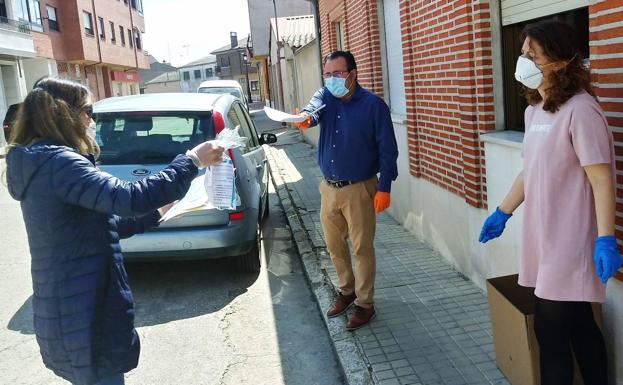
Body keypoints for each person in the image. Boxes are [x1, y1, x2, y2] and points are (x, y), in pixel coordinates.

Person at [3, 77, 224, 385]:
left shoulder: (42, 162)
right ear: (65, 113)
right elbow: (128, 198)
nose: (91, 120)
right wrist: (191, 160)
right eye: (88, 110)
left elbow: (98, 224)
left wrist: (158, 212)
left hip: (69, 301)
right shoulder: (60, 163)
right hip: (84, 307)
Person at [479, 21, 622, 385]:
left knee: (550, 331)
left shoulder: (581, 110)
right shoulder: (535, 110)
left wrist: (606, 239)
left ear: (560, 62)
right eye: (523, 52)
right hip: (543, 236)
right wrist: (503, 211)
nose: (523, 60)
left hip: (571, 241)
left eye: (532, 54)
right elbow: (531, 171)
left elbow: (602, 179)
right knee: (578, 325)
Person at [295, 51, 398, 331]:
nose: (331, 79)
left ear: (353, 73)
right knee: (334, 246)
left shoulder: (374, 105)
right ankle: (347, 290)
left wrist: (385, 186)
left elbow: (388, 150)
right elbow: (312, 108)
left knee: (362, 248)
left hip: (360, 189)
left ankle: (365, 304)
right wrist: (305, 117)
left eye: (337, 73)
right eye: (327, 74)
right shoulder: (325, 98)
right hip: (329, 188)